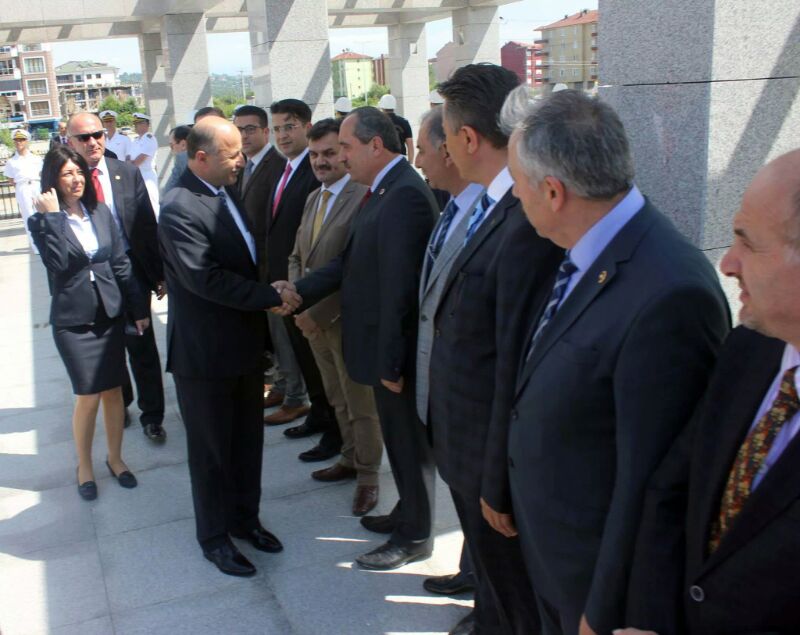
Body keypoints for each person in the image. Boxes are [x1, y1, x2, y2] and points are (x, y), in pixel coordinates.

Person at [503, 89, 731, 635]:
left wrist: (604, 610)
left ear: (553, 192)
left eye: (517, 182)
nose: (513, 194)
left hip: (596, 592)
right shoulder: (587, 251)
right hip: (555, 559)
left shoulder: (670, 292)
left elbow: (650, 481)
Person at [622, 149, 800, 635]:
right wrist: (649, 621)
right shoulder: (749, 349)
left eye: (748, 242)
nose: (727, 262)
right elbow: (673, 491)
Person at [429, 66, 563, 635]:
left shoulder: (525, 218)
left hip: (488, 457)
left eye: (444, 135)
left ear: (467, 138)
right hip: (466, 446)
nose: (441, 149)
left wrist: (496, 481)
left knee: (513, 595)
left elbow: (516, 361)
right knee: (492, 585)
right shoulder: (491, 203)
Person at [286, 106, 438, 570]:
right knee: (398, 440)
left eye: (346, 147)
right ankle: (407, 511)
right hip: (378, 348)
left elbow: (400, 290)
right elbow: (348, 263)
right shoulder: (381, 190)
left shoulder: (405, 195)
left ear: (375, 145)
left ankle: (414, 536)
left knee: (409, 444)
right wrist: (297, 291)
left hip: (395, 356)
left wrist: (391, 363)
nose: (342, 157)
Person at [158, 116, 294, 577]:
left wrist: (269, 287)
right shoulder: (179, 206)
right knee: (212, 452)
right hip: (205, 355)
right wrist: (269, 296)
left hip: (243, 346)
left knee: (247, 443)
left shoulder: (225, 190)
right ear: (200, 157)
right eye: (232, 154)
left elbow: (244, 259)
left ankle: (245, 520)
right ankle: (214, 537)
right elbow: (206, 278)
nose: (241, 160)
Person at [28, 145, 148, 501]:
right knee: (88, 395)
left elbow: (120, 262)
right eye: (67, 173)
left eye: (79, 172)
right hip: (73, 321)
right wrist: (53, 217)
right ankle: (84, 465)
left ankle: (115, 458)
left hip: (108, 313)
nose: (76, 179)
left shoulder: (100, 212)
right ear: (53, 179)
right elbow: (58, 265)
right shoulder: (41, 220)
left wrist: (138, 307)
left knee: (113, 391)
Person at [287, 118, 383, 516]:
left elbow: (357, 268)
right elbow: (297, 256)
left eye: (329, 153)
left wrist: (318, 311)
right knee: (337, 399)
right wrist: (299, 304)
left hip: (344, 321)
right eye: (314, 155)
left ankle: (369, 477)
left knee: (361, 404)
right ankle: (348, 457)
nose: (321, 162)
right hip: (311, 321)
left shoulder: (363, 197)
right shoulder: (314, 197)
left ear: (345, 153)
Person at [413, 106, 483, 615]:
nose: (417, 160)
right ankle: (473, 574)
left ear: (450, 148)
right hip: (444, 386)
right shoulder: (453, 204)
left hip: (472, 396)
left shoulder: (489, 214)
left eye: (422, 149)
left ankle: (487, 602)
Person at [68, 112, 166, 441]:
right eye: (83, 137)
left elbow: (146, 225)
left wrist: (158, 273)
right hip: (92, 279)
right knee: (110, 347)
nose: (92, 142)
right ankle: (119, 404)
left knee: (141, 345)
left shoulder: (126, 172)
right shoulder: (66, 179)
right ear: (71, 142)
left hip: (131, 272)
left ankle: (153, 416)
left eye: (97, 134)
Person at [264, 99, 341, 463]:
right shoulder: (286, 170)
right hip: (293, 288)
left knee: (328, 373)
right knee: (308, 364)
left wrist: (301, 294)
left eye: (289, 126)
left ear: (307, 127)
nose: (282, 135)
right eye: (277, 128)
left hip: (317, 294)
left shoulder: (317, 174)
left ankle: (336, 433)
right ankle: (319, 416)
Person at [232, 105, 286, 283]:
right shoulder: (240, 166)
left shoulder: (280, 166)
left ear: (266, 132)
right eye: (239, 130)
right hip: (248, 264)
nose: (243, 136)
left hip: (270, 267)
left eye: (250, 129)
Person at [3, 128, 43, 252]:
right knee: (28, 217)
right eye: (16, 140)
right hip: (23, 188)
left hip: (36, 186)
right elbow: (11, 179)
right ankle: (36, 247)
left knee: (42, 214)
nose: (19, 142)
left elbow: (42, 173)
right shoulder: (11, 161)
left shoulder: (36, 158)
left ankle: (45, 242)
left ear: (27, 141)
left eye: (22, 140)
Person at [130, 112, 159, 215]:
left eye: (139, 123)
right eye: (135, 123)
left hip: (147, 175)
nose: (136, 126)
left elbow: (141, 159)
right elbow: (128, 156)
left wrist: (130, 165)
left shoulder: (149, 138)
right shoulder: (135, 140)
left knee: (152, 202)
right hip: (137, 175)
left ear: (146, 124)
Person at [378, 94, 414, 162]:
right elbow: (410, 144)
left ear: (382, 107)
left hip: (384, 160)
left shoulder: (378, 123)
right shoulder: (404, 122)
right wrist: (410, 162)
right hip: (401, 159)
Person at [162, 125, 191, 197]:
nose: (172, 151)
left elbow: (168, 193)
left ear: (183, 144)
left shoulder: (182, 159)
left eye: (171, 146)